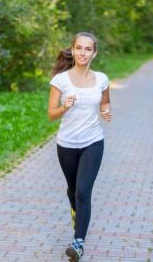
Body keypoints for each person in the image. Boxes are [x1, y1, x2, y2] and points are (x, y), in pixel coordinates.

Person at [48, 32, 112, 261]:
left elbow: (105, 104)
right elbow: (51, 114)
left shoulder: (102, 79)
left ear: (94, 52)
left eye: (88, 49)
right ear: (73, 50)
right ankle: (78, 213)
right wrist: (64, 107)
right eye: (79, 48)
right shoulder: (61, 80)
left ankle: (78, 242)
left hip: (93, 141)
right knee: (72, 189)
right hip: (66, 144)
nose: (83, 53)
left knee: (83, 191)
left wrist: (106, 112)